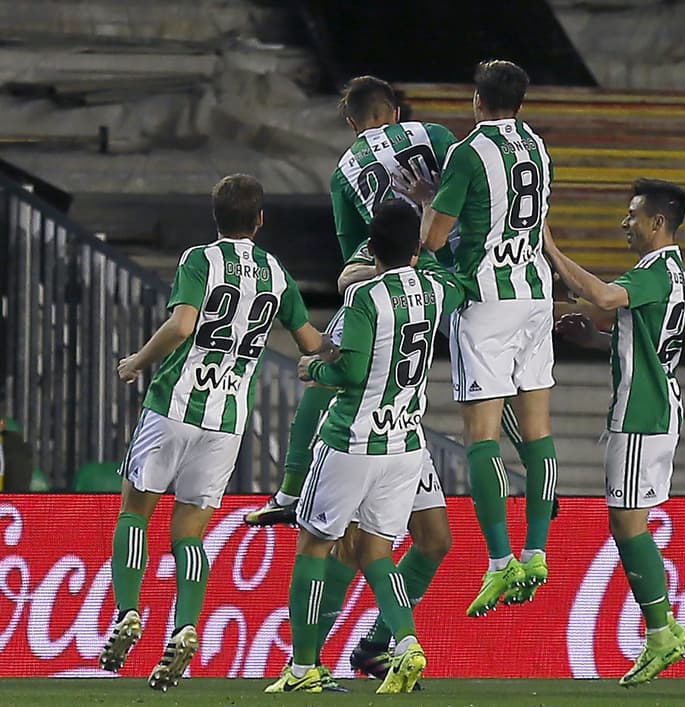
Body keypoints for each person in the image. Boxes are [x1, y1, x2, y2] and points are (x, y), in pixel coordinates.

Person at [99, 174, 325, 692]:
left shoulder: (200, 259)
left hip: (175, 404)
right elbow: (311, 340)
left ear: (215, 215)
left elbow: (182, 325)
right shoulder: (275, 271)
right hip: (226, 422)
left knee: (136, 510)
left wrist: (136, 361)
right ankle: (184, 627)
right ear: (261, 220)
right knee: (190, 533)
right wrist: (343, 357)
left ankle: (129, 613)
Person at [265, 200, 466, 694]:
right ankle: (405, 641)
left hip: (352, 441)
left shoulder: (364, 298)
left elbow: (349, 372)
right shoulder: (437, 290)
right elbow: (458, 282)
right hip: (404, 443)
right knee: (376, 550)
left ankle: (303, 669)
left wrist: (316, 369)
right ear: (417, 248)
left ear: (371, 249)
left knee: (314, 545)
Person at [245, 75, 457, 527]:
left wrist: (379, 273)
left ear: (349, 121)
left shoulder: (344, 170)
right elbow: (473, 183)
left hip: (393, 265)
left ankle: (289, 490)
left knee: (325, 367)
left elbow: (351, 248)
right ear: (396, 111)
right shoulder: (434, 135)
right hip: (455, 269)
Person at [416, 59, 559, 616]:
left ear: (477, 101)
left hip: (486, 298)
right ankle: (538, 550)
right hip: (535, 293)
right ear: (520, 102)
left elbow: (433, 238)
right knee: (539, 431)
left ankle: (500, 562)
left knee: (482, 436)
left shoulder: (469, 153)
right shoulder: (539, 148)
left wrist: (430, 198)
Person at [546, 178, 685, 687]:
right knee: (629, 525)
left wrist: (551, 248)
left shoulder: (654, 271)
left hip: (640, 413)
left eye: (632, 215)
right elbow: (639, 336)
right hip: (656, 408)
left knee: (628, 527)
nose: (624, 223)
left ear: (657, 222)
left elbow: (605, 295)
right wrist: (597, 336)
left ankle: (661, 631)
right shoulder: (673, 273)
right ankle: (663, 626)